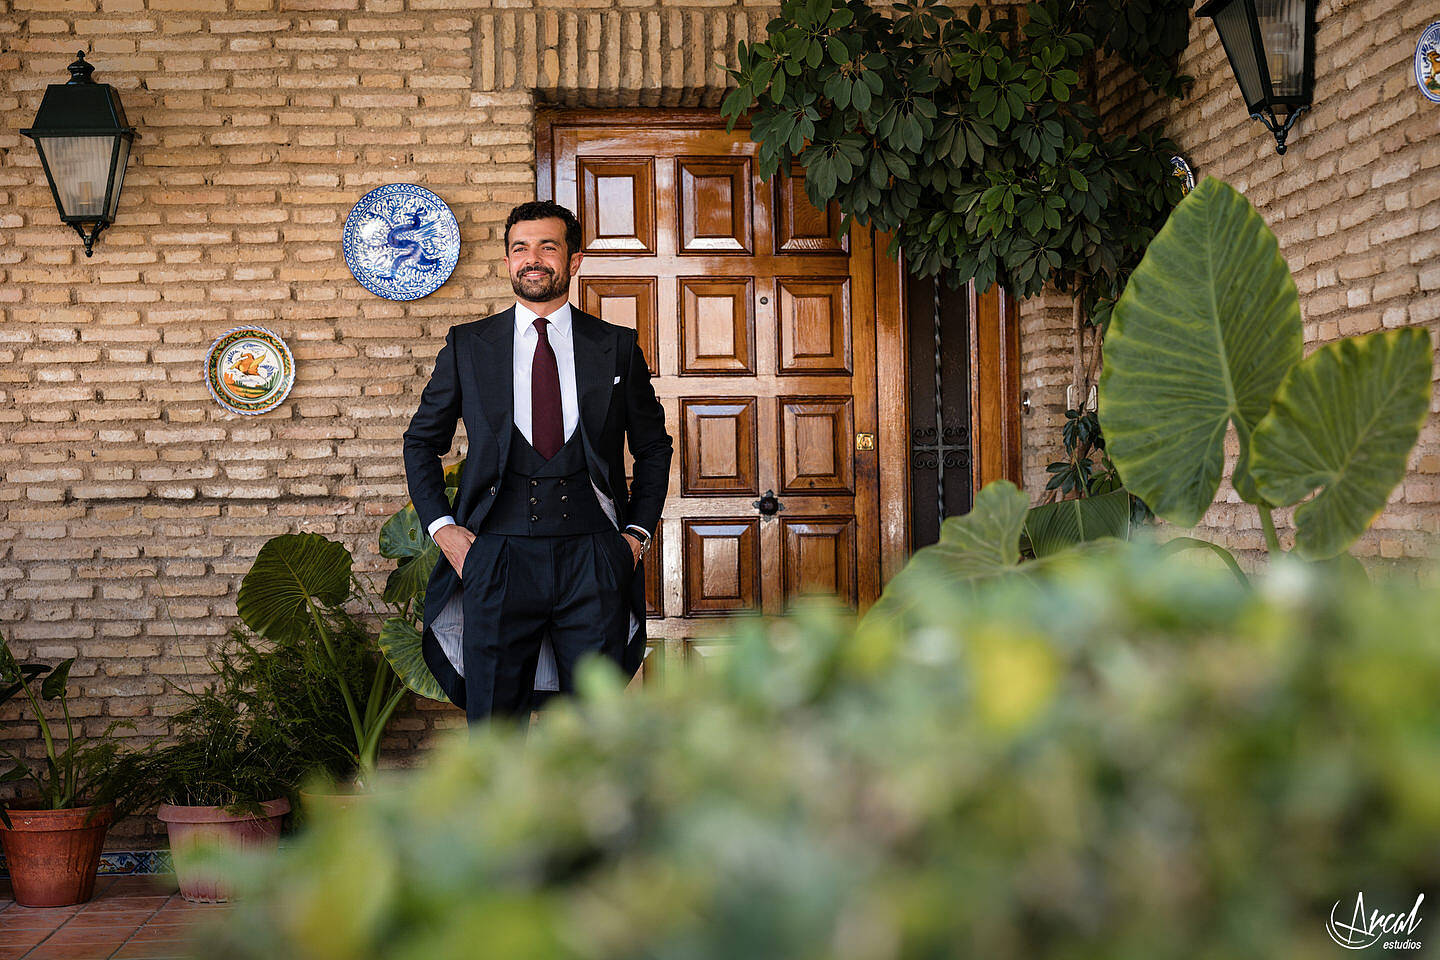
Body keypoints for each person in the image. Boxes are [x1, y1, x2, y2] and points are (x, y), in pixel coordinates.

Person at [402, 200, 673, 723]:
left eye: (548, 246)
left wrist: (635, 535)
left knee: (592, 728)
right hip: (495, 555)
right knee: (495, 727)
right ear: (507, 262)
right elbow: (421, 442)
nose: (533, 258)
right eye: (520, 248)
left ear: (573, 261)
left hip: (594, 557)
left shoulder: (615, 346)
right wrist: (443, 529)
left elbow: (653, 445)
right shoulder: (468, 345)